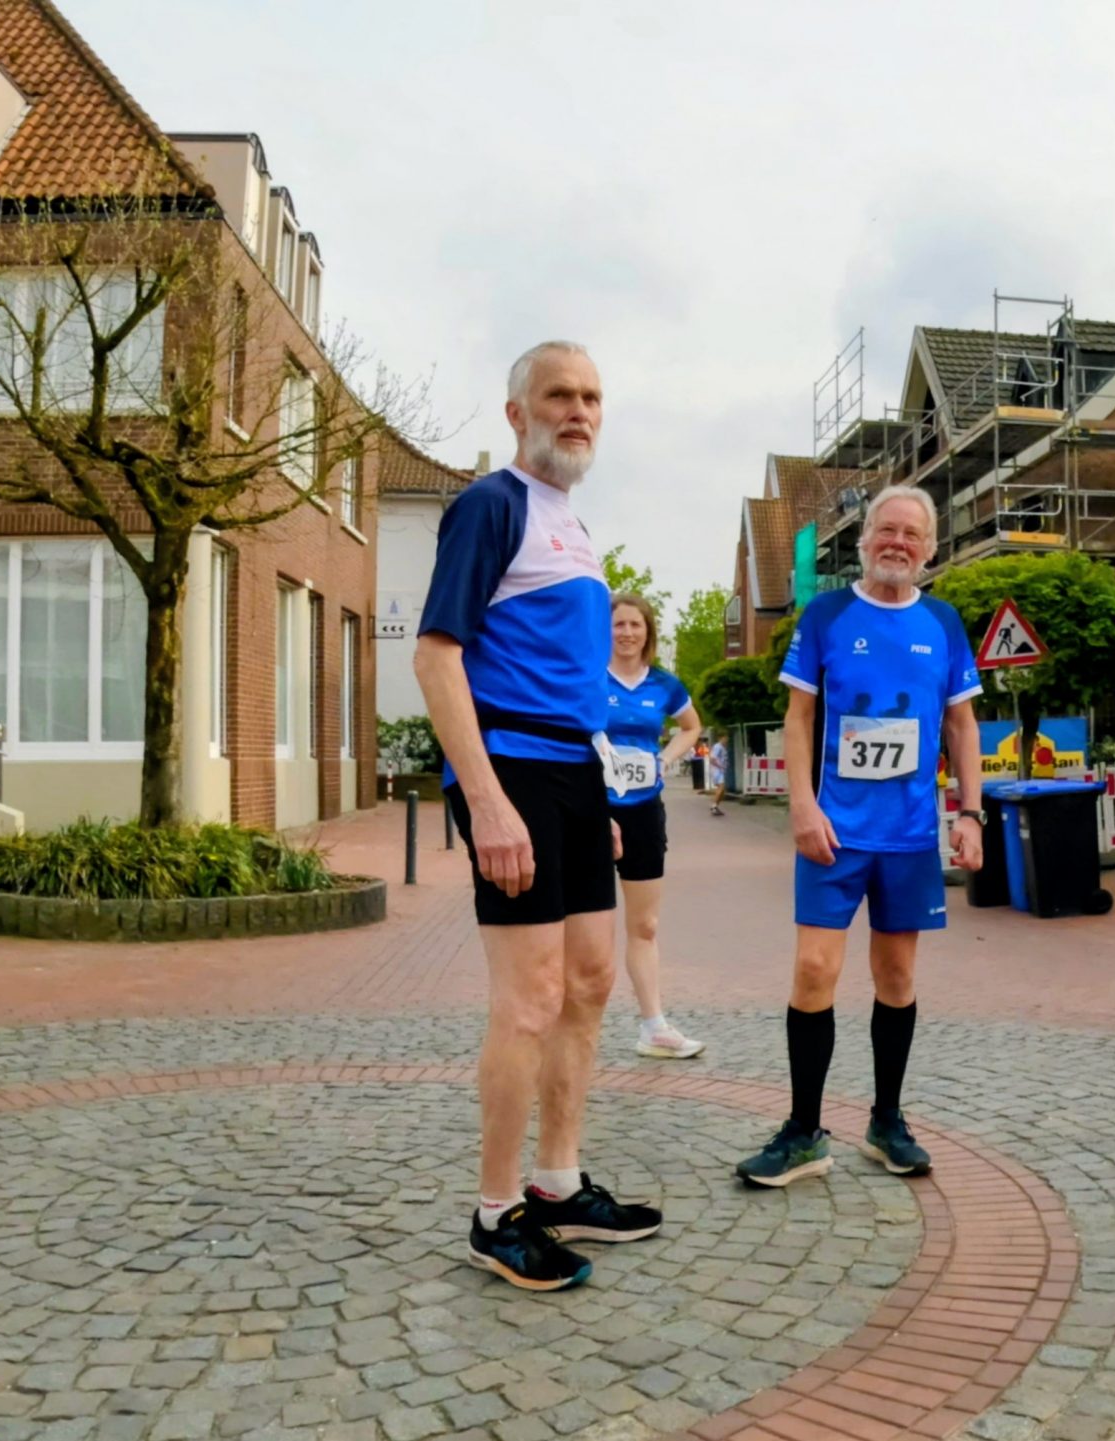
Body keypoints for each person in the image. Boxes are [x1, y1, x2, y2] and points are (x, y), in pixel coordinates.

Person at [412, 340, 663, 1293]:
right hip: (509, 769)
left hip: (572, 776)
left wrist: (593, 792)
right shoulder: (492, 504)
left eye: (593, 396)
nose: (580, 410)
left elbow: (570, 680)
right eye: (559, 395)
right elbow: (438, 658)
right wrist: (485, 801)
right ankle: (493, 1213)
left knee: (593, 979)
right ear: (516, 411)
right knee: (528, 997)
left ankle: (558, 1184)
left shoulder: (578, 526)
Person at [735, 484, 984, 1189]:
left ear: (931, 548)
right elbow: (797, 716)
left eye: (913, 533)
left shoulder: (944, 622)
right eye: (887, 529)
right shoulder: (828, 614)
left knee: (897, 976)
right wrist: (802, 803)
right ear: (865, 536)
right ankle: (804, 1130)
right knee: (814, 969)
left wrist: (969, 813)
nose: (897, 542)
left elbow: (963, 725)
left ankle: (887, 1119)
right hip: (834, 833)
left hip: (908, 836)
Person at [600, 590, 708, 1060]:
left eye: (634, 625)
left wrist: (663, 759)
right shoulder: (585, 678)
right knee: (581, 922)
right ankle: (562, 1023)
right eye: (618, 625)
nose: (626, 633)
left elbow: (691, 727)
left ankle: (654, 1026)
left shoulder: (663, 684)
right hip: (589, 810)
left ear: (648, 632)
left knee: (643, 924)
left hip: (643, 809)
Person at [706, 733, 730, 816]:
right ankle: (714, 806)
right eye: (725, 737)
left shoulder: (723, 747)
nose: (727, 740)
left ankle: (716, 806)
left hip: (720, 771)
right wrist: (720, 766)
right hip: (717, 771)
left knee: (723, 790)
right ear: (721, 738)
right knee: (721, 787)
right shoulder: (717, 747)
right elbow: (712, 759)